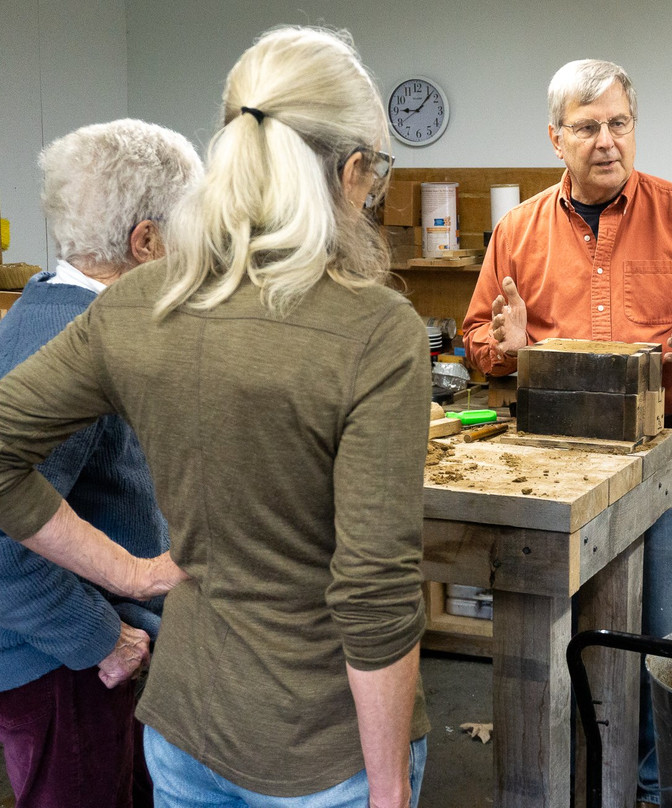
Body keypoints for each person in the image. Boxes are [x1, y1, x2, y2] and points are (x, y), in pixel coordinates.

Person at [0, 26, 431, 808]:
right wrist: (391, 786)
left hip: (186, 732)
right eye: (380, 172)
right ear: (356, 170)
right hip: (322, 748)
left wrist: (131, 573)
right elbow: (372, 593)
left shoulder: (141, 301)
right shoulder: (375, 331)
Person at [462, 58, 672, 805]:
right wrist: (506, 345)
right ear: (556, 137)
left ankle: (650, 786)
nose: (607, 141)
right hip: (554, 458)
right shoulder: (518, 228)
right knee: (555, 624)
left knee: (655, 630)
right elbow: (479, 337)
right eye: (588, 127)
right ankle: (567, 776)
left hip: (667, 448)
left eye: (619, 124)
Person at [0, 118, 201, 808]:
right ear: (146, 242)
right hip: (61, 663)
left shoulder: (59, 313)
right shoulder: (68, 341)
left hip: (81, 659)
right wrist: (99, 637)